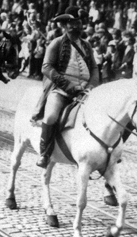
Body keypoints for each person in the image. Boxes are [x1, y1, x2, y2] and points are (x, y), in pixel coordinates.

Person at [34, 9, 99, 168]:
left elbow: (95, 69)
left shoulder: (86, 45)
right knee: (50, 117)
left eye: (79, 22)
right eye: (73, 23)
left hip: (85, 91)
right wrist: (67, 85)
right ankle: (45, 153)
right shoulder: (56, 43)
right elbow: (47, 68)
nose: (77, 26)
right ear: (64, 25)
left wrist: (91, 86)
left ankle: (104, 153)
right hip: (62, 90)